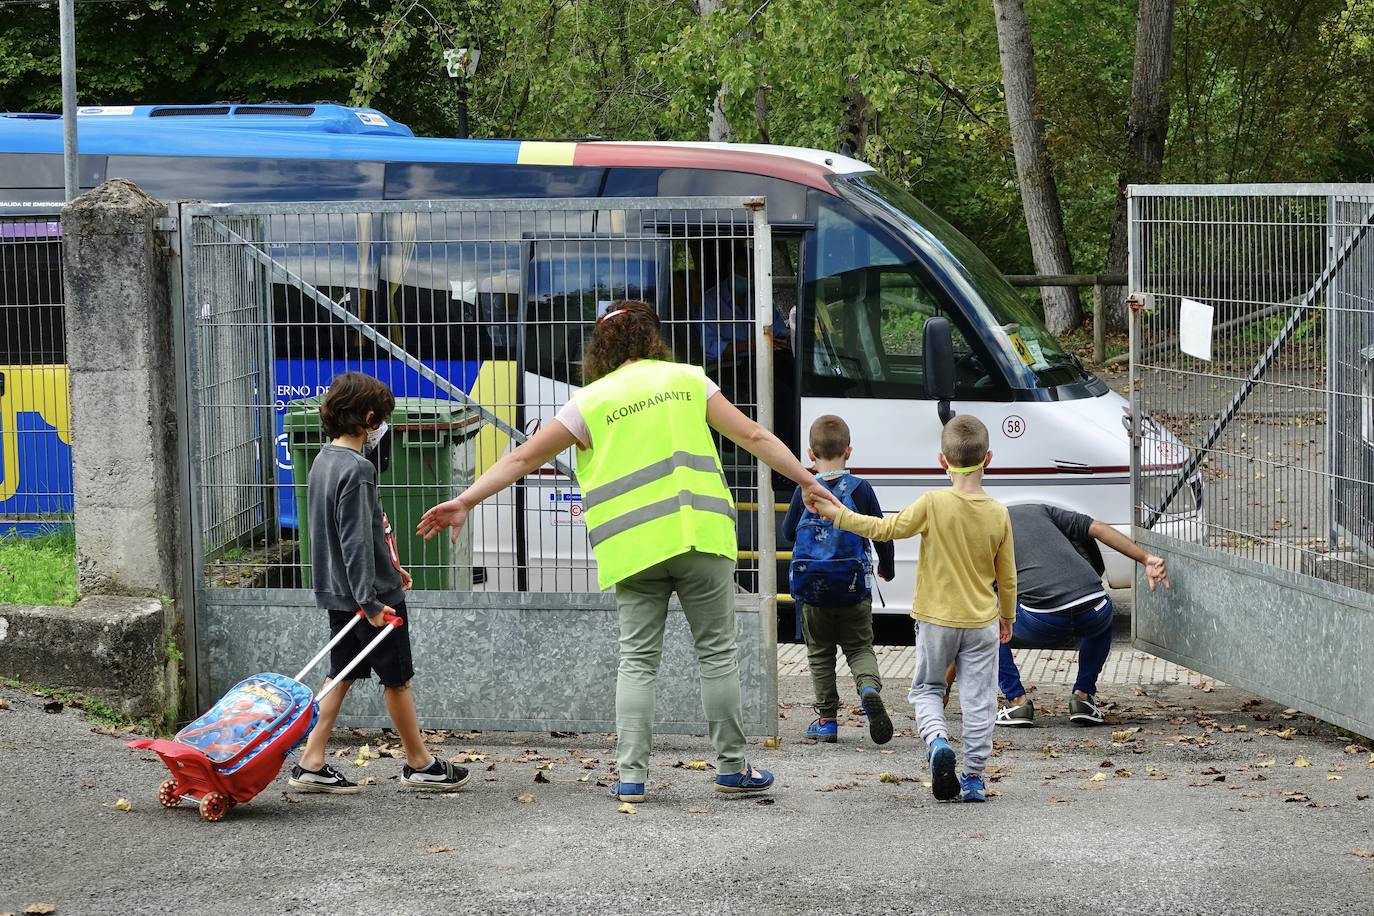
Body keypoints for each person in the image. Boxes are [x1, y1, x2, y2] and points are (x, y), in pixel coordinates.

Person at [417, 300, 838, 803]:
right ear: (653, 339)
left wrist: (465, 500)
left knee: (637, 661)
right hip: (699, 535)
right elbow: (752, 434)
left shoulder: (588, 402)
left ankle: (632, 778)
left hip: (632, 547)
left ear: (601, 348)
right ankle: (731, 769)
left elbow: (525, 456)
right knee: (717, 656)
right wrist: (808, 481)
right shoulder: (688, 380)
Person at [814, 415, 1016, 803]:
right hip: (982, 622)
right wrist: (1007, 616)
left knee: (926, 689)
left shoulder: (932, 503)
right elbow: (1006, 577)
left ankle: (938, 741)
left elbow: (885, 529)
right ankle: (974, 777)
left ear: (942, 461)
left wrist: (838, 514)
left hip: (935, 619)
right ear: (988, 458)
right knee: (979, 700)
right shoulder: (998, 513)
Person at [288, 372, 470, 794]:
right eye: (381, 420)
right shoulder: (359, 468)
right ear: (369, 418)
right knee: (397, 678)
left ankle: (311, 761)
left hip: (340, 590)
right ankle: (420, 762)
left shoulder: (322, 461)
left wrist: (391, 565)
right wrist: (370, 601)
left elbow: (351, 533)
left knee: (341, 674)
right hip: (372, 600)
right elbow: (354, 539)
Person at [995, 504, 1170, 728]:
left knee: (986, 627)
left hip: (1042, 619)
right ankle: (1083, 697)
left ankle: (1017, 702)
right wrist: (1146, 558)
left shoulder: (984, 531)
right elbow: (1097, 528)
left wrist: (943, 688)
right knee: (1101, 619)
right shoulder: (1035, 509)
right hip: (1095, 607)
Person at [782, 414, 895, 745]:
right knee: (859, 647)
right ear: (849, 451)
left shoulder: (806, 489)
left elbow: (789, 532)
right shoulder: (860, 489)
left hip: (812, 591)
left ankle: (827, 721)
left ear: (810, 454)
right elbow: (881, 532)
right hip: (853, 588)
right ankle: (869, 688)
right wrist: (886, 566)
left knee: (820, 653)